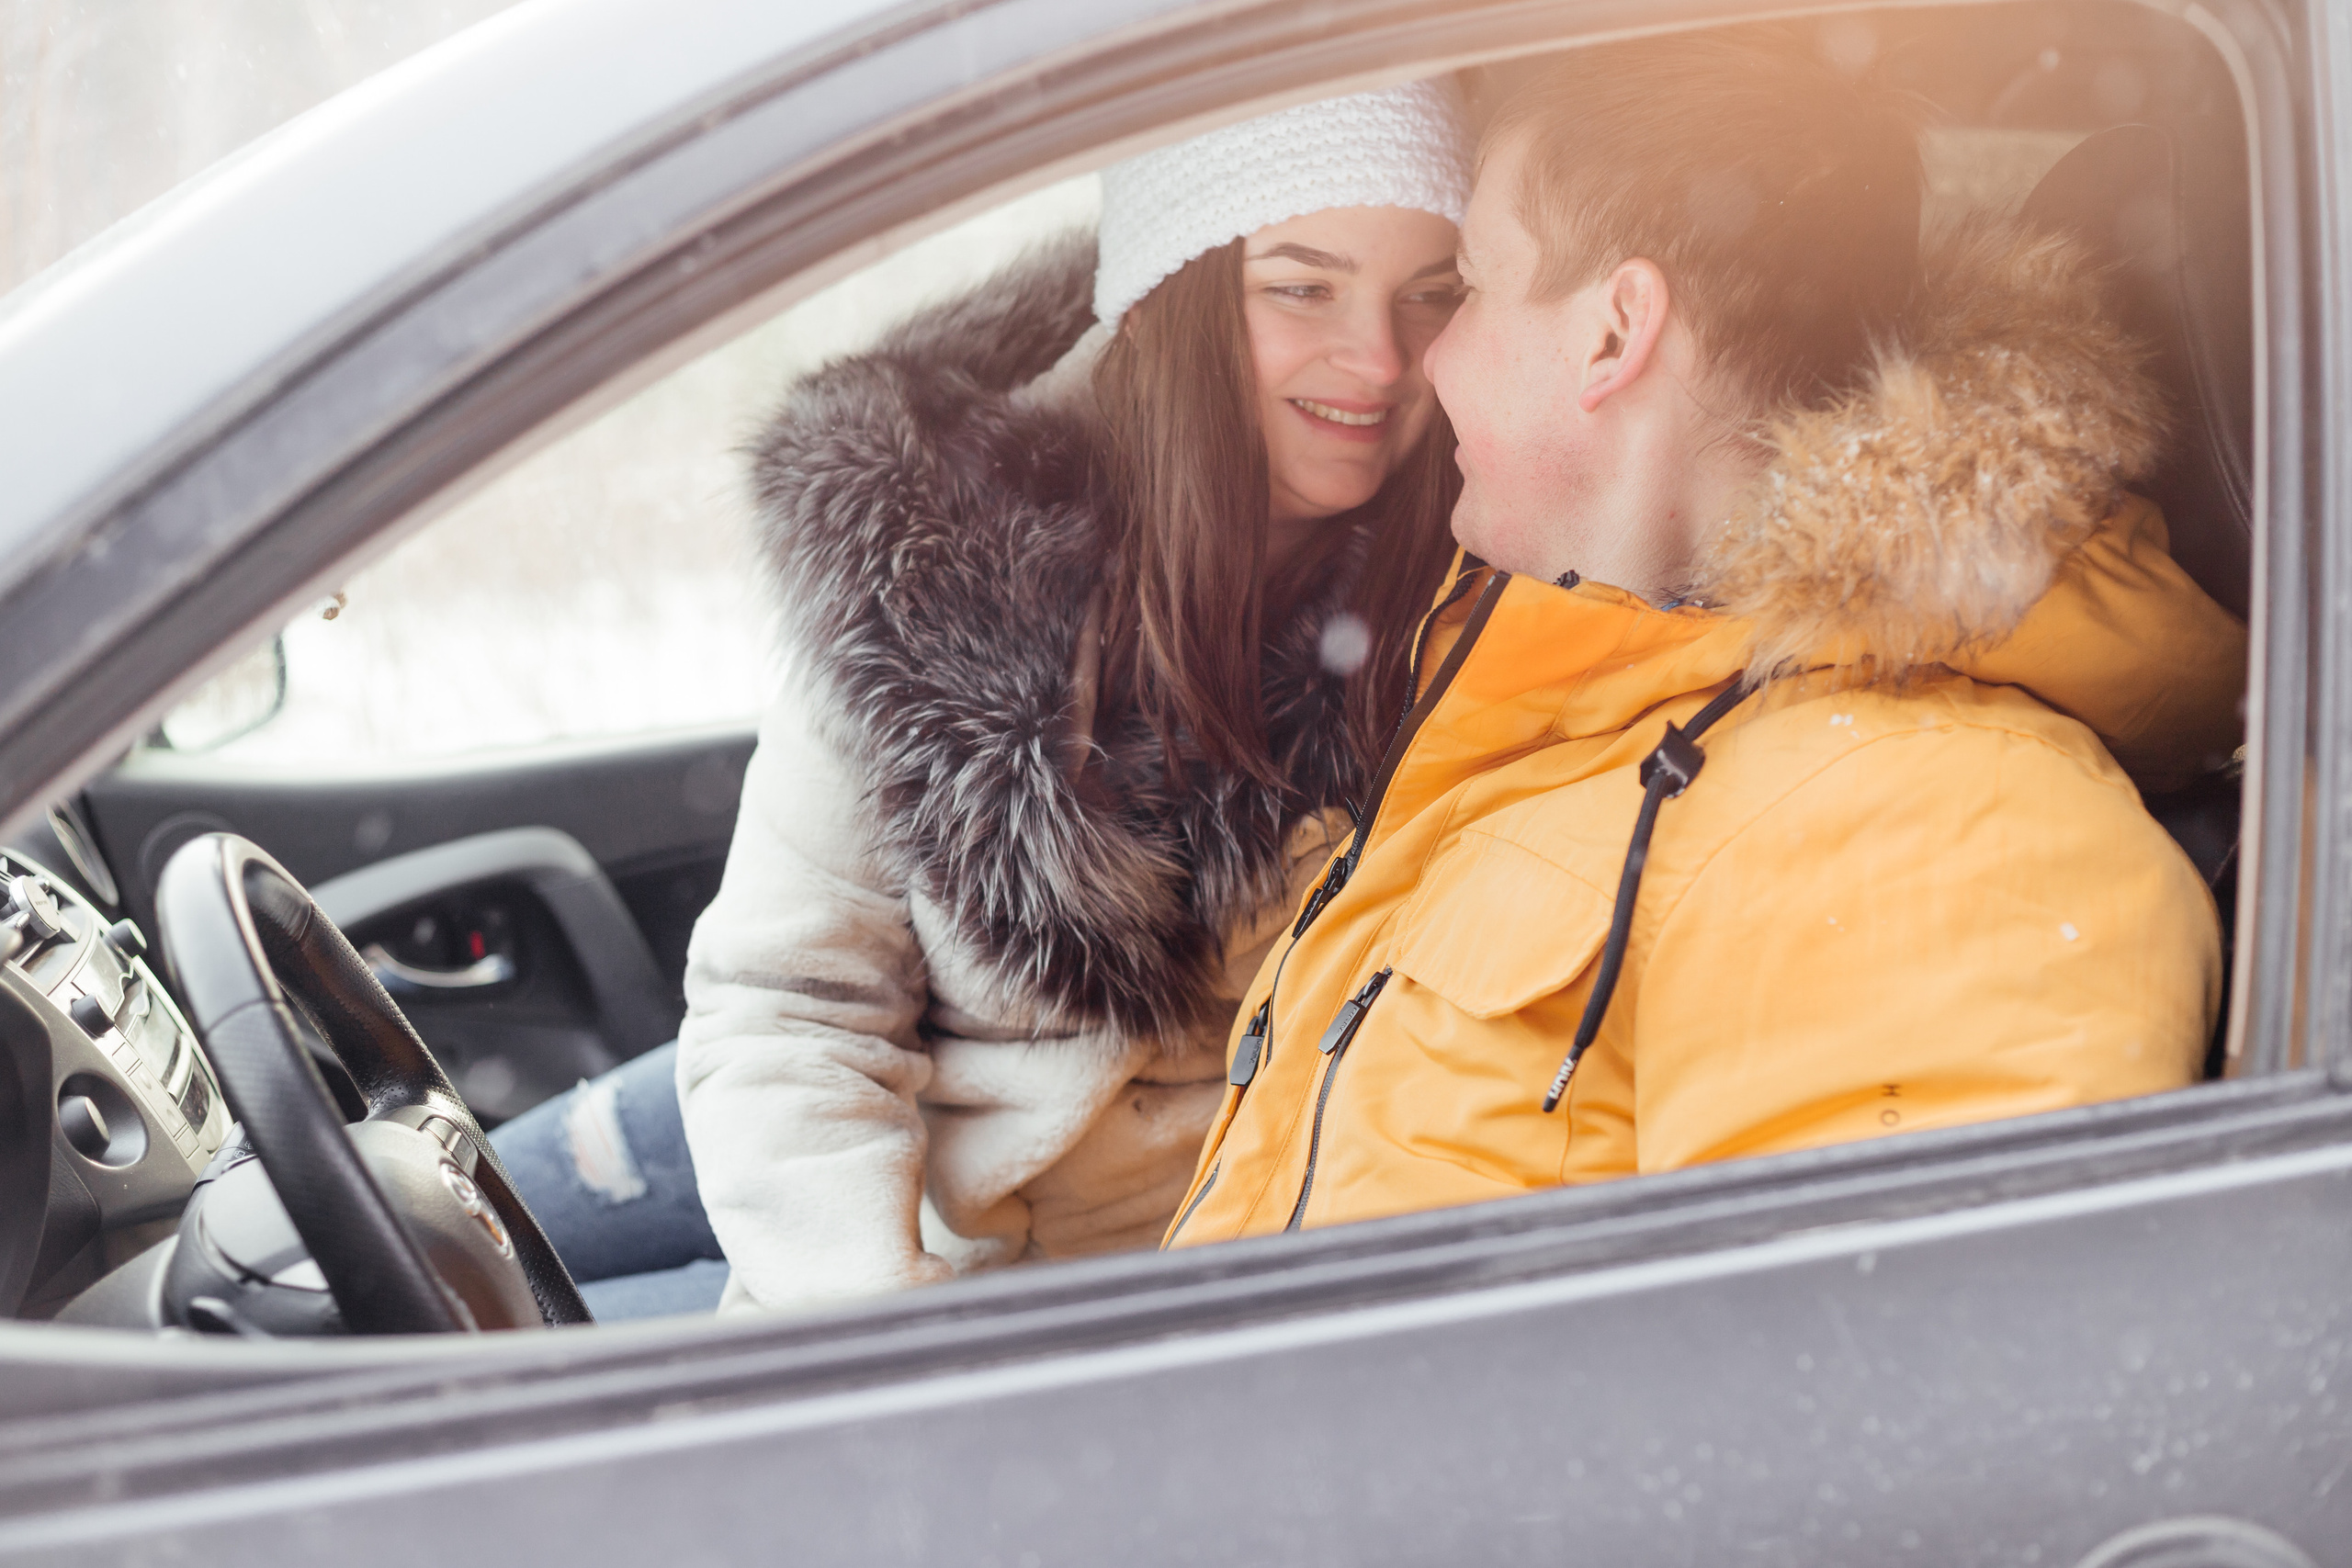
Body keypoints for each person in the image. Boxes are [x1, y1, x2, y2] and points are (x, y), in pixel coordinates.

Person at [1161, 33, 2248, 1247]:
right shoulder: (1576, 709)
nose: (1425, 358)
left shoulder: (1923, 824)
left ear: (1615, 334)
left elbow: (1885, 1390)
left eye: (1468, 287)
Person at [492, 82, 1475, 1317]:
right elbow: (793, 1009)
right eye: (1301, 285)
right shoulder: (925, 566)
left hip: (1187, 1315)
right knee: (399, 1298)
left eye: (1429, 293)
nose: (1379, 361)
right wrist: (878, 1332)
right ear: (1176, 294)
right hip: (912, 1273)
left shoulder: (1485, 586)